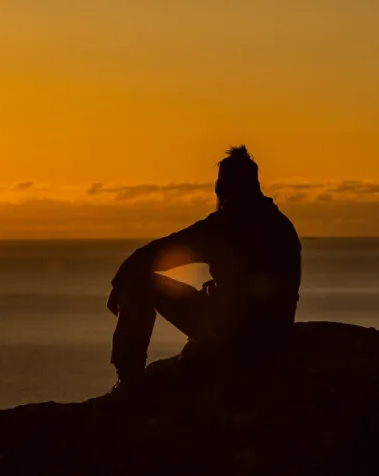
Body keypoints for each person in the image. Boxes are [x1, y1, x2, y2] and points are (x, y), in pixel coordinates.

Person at [106, 146, 301, 379]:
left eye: (219, 185)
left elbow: (152, 256)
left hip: (234, 334)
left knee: (140, 280)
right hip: (274, 333)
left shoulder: (224, 226)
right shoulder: (282, 225)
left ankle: (128, 378)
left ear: (224, 188)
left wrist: (120, 282)